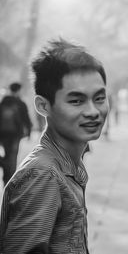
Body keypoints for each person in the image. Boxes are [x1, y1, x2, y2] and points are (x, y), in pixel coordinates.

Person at [0, 39, 109, 253]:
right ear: (43, 106)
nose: (93, 111)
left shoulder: (66, 164)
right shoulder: (42, 175)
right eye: (76, 101)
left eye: (99, 98)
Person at [0, 82, 32, 186]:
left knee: (7, 155)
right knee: (12, 157)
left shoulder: (4, 102)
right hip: (15, 134)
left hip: (3, 133)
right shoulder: (20, 103)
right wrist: (29, 131)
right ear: (18, 90)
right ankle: (9, 181)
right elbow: (26, 118)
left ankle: (6, 174)